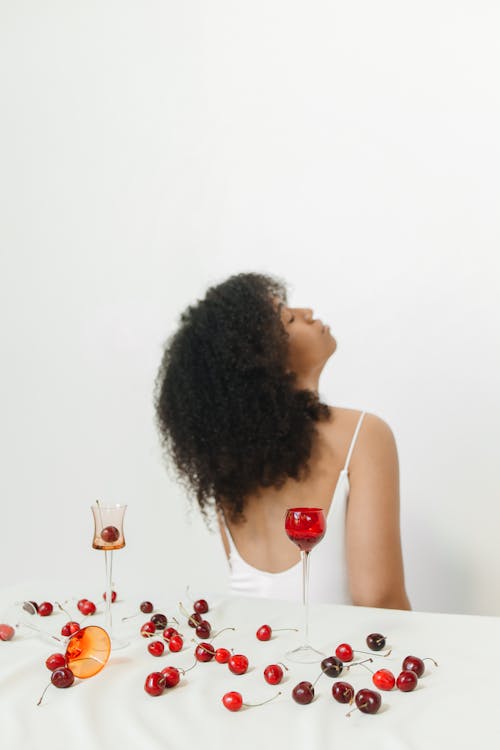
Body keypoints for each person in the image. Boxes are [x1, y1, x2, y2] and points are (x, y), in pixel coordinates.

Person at [154, 272, 411, 609]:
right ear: (265, 360)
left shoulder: (229, 463)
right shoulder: (363, 434)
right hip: (337, 655)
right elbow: (377, 597)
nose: (306, 311)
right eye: (288, 318)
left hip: (248, 649)